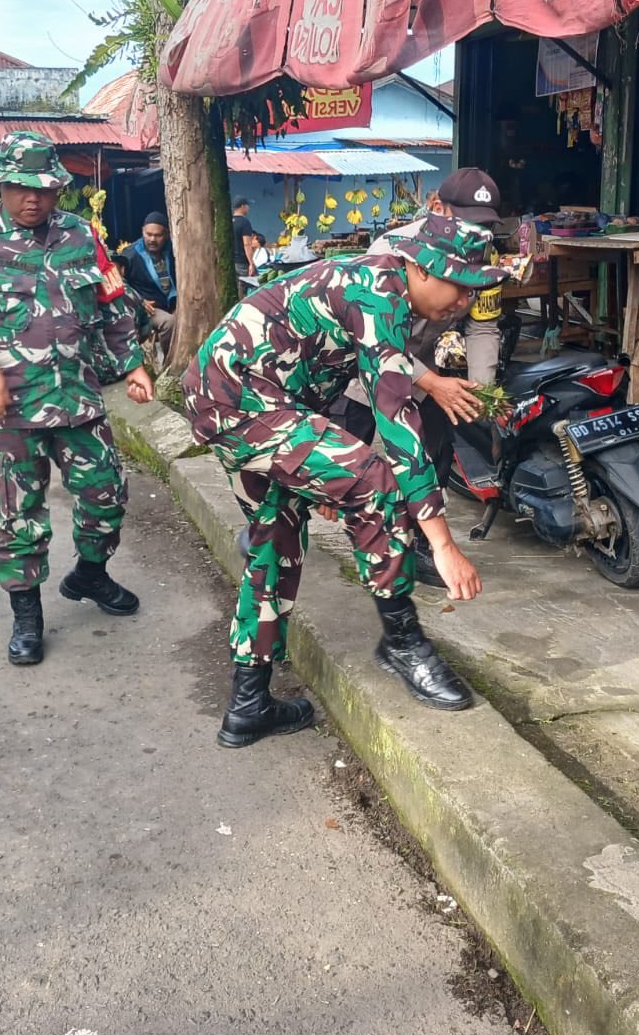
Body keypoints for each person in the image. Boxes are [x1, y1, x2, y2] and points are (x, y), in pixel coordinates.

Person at [184, 214, 507, 748]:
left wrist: (329, 478)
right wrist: (443, 545)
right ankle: (402, 641)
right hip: (239, 401)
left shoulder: (385, 286)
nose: (464, 302)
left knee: (276, 540)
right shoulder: (380, 294)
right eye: (458, 285)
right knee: (377, 482)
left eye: (474, 291)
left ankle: (248, 703)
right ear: (420, 269)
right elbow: (397, 424)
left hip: (238, 400)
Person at [0, 132, 156, 668]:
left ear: (58, 189)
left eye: (43, 189)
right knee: (19, 514)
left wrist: (132, 364)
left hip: (78, 398)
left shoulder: (81, 235)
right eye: (19, 187)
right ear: (0, 185)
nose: (32, 198)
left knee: (106, 497)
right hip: (12, 407)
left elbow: (111, 302)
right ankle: (26, 615)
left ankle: (90, 574)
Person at [333, 168, 504, 585]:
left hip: (421, 366)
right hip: (362, 368)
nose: (475, 232)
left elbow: (483, 326)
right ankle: (276, 527)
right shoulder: (389, 251)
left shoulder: (485, 259)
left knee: (433, 452)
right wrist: (431, 382)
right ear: (436, 208)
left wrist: (482, 390)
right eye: (465, 219)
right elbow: (374, 340)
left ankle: (422, 547)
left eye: (484, 224)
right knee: (335, 458)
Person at [120, 211, 177, 357]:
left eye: (158, 235)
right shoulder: (131, 255)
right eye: (148, 234)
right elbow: (118, 281)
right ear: (142, 232)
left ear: (166, 234)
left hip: (173, 304)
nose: (152, 239)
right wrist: (138, 300)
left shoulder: (173, 250)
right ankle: (169, 363)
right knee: (169, 323)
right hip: (148, 309)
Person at [231, 196, 258, 273]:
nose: (248, 208)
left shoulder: (229, 221)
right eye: (247, 206)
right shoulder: (244, 222)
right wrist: (251, 263)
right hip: (242, 262)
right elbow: (247, 244)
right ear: (242, 206)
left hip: (231, 261)